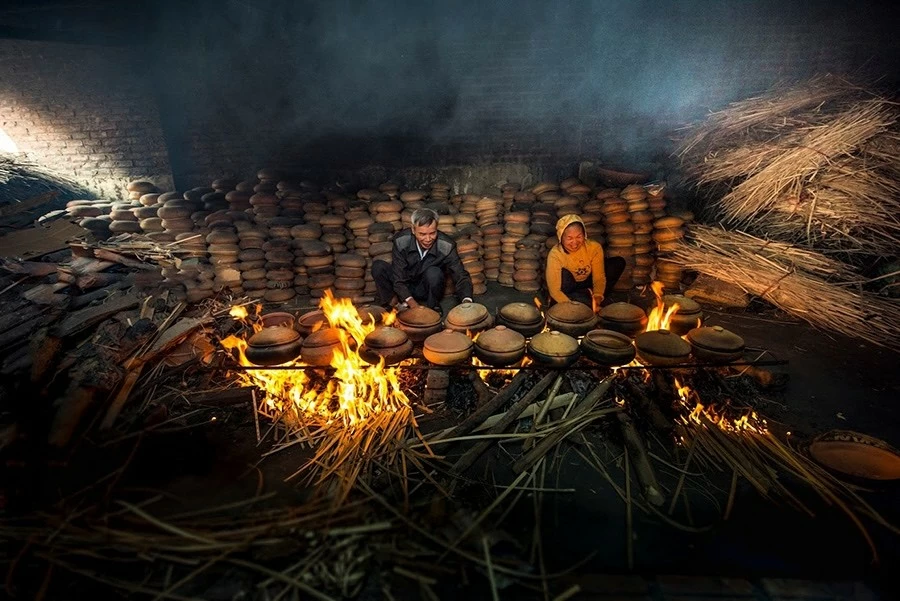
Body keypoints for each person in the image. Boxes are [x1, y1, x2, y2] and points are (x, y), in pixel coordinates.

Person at [372, 208, 474, 314]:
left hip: (426, 288)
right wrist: (413, 305)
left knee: (434, 272)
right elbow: (398, 277)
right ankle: (392, 303)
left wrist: (467, 301)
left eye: (432, 233)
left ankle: (433, 307)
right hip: (404, 286)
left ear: (437, 228)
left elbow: (460, 275)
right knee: (378, 266)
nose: (428, 239)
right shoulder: (401, 241)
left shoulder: (446, 245)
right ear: (413, 230)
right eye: (422, 234)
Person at [545, 214, 626, 309]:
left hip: (588, 282)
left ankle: (586, 297)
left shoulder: (594, 247)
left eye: (579, 236)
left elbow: (599, 277)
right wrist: (573, 308)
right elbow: (554, 290)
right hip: (570, 287)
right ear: (561, 237)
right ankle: (578, 299)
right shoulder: (555, 254)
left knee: (617, 263)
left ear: (585, 234)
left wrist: (598, 296)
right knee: (564, 274)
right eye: (569, 238)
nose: (575, 242)